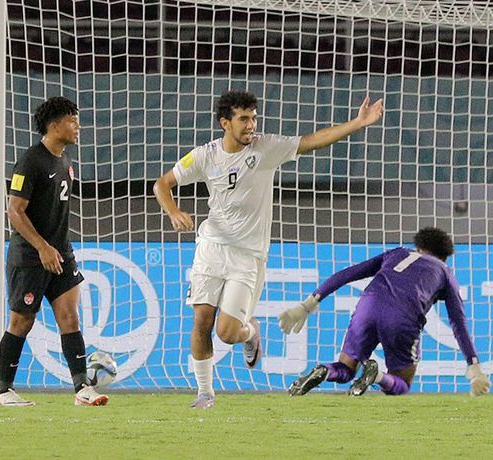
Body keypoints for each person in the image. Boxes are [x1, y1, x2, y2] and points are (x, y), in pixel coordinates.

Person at [153, 90, 384, 409]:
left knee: (227, 333)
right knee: (201, 321)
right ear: (225, 123)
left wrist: (357, 124)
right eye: (244, 119)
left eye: (254, 118)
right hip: (211, 247)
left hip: (247, 257)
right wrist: (174, 211)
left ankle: (251, 333)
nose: (251, 125)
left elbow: (312, 140)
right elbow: (162, 184)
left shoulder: (266, 148)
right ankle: (205, 393)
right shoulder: (204, 155)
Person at [0, 96, 108, 407]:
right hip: (30, 257)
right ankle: (3, 391)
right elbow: (14, 211)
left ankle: (82, 389)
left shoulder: (64, 161)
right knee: (21, 322)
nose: (78, 126)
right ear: (54, 125)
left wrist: (55, 248)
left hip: (60, 253)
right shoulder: (30, 161)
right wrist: (42, 247)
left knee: (70, 317)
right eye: (72, 120)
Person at [281, 227, 491, 397]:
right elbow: (458, 321)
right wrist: (473, 366)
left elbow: (347, 274)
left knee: (346, 368)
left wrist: (307, 305)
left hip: (367, 306)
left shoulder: (397, 253)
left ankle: (324, 371)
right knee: (402, 381)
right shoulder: (445, 272)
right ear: (444, 257)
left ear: (418, 247)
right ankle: (377, 376)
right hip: (403, 317)